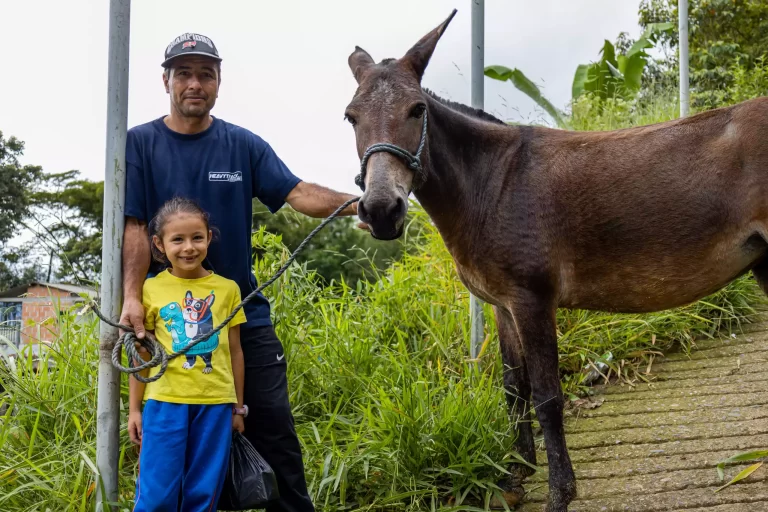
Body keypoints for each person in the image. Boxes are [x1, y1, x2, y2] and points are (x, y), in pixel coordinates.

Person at [120, 33, 360, 512]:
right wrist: (131, 297)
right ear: (165, 80)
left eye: (205, 74)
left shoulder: (241, 144)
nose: (194, 83)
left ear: (218, 82)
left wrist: (359, 203)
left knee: (272, 427)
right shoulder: (140, 143)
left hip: (242, 316)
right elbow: (136, 226)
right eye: (184, 73)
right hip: (168, 322)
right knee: (186, 449)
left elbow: (297, 193)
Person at [128, 197, 247, 510]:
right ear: (159, 243)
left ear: (209, 237)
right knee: (156, 492)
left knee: (203, 493)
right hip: (164, 402)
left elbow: (235, 350)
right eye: (177, 239)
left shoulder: (228, 289)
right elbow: (143, 354)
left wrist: (237, 408)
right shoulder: (150, 288)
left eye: (197, 237)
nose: (188, 247)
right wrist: (135, 410)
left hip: (215, 404)